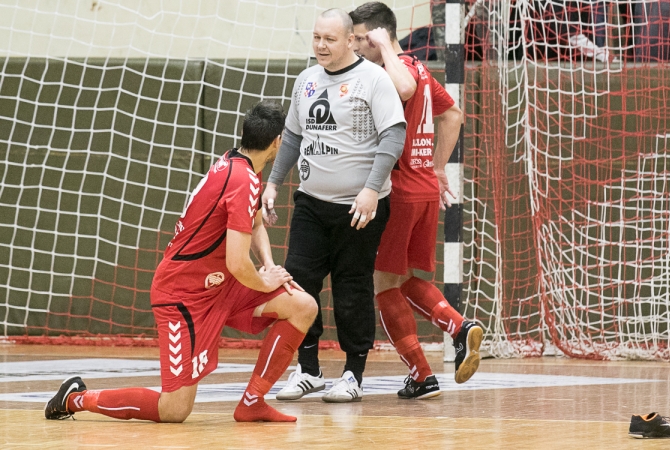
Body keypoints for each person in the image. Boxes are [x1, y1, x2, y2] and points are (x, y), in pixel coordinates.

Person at [44, 101, 318, 423]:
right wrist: (265, 281)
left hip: (222, 286)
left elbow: (255, 222)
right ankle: (75, 399)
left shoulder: (241, 165)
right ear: (276, 141)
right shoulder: (241, 180)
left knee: (302, 306)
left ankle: (252, 401)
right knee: (174, 410)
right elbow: (238, 263)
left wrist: (270, 266)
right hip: (183, 297)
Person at [262, 9, 406, 403]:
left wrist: (371, 189)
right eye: (316, 38)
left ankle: (353, 374)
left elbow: (394, 137)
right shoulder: (305, 81)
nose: (321, 46)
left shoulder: (374, 80)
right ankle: (308, 370)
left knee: (351, 288)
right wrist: (273, 183)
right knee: (298, 282)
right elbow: (292, 137)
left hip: (358, 208)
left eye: (329, 39)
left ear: (349, 40)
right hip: (311, 202)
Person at [349, 2, 483, 400]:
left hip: (401, 190)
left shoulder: (396, 70)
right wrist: (439, 167)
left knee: (384, 285)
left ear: (377, 36)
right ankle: (458, 328)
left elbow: (405, 89)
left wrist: (383, 49)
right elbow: (454, 115)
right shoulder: (421, 68)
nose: (355, 47)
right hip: (425, 187)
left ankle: (423, 373)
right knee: (409, 281)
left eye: (360, 39)